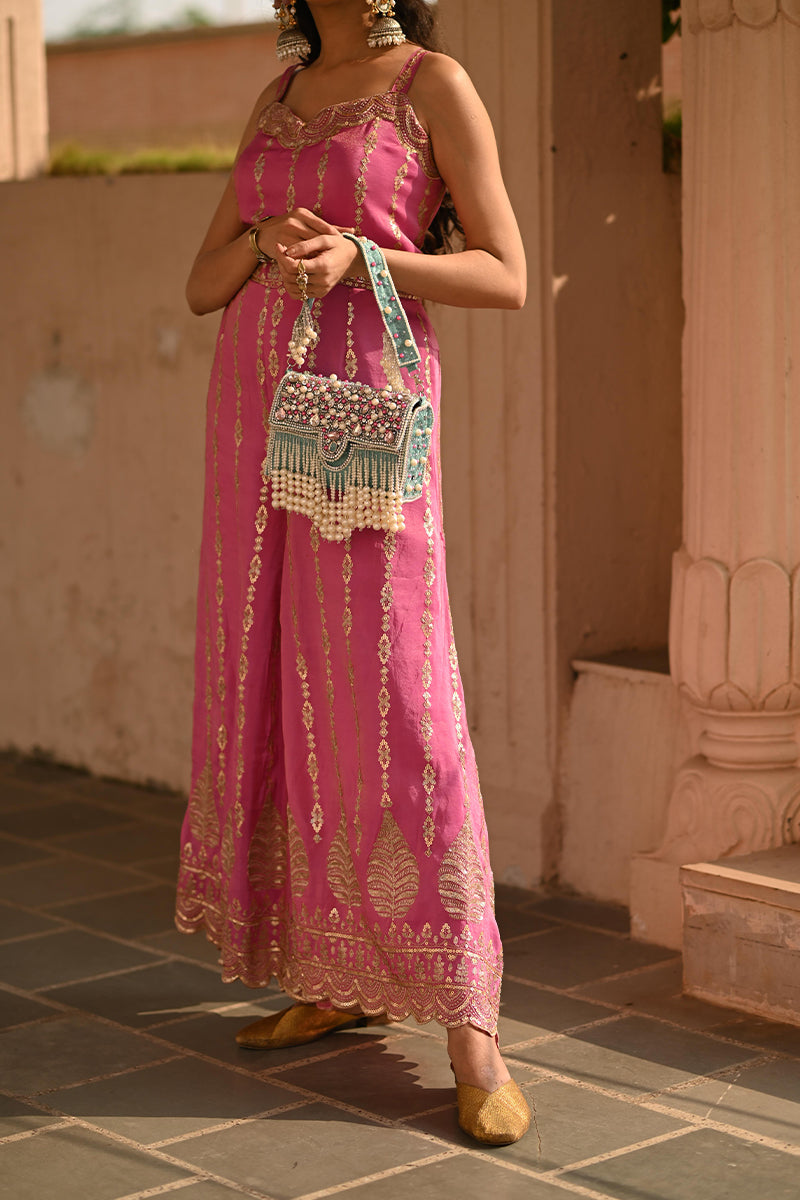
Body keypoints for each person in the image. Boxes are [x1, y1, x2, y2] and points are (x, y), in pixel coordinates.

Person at [175, 0, 528, 1146]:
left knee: (394, 691)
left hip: (365, 402)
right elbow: (200, 281)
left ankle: (472, 1026)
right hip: (254, 409)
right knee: (283, 675)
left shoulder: (431, 82)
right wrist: (268, 240)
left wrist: (366, 253)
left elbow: (505, 273)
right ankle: (328, 974)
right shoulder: (274, 96)